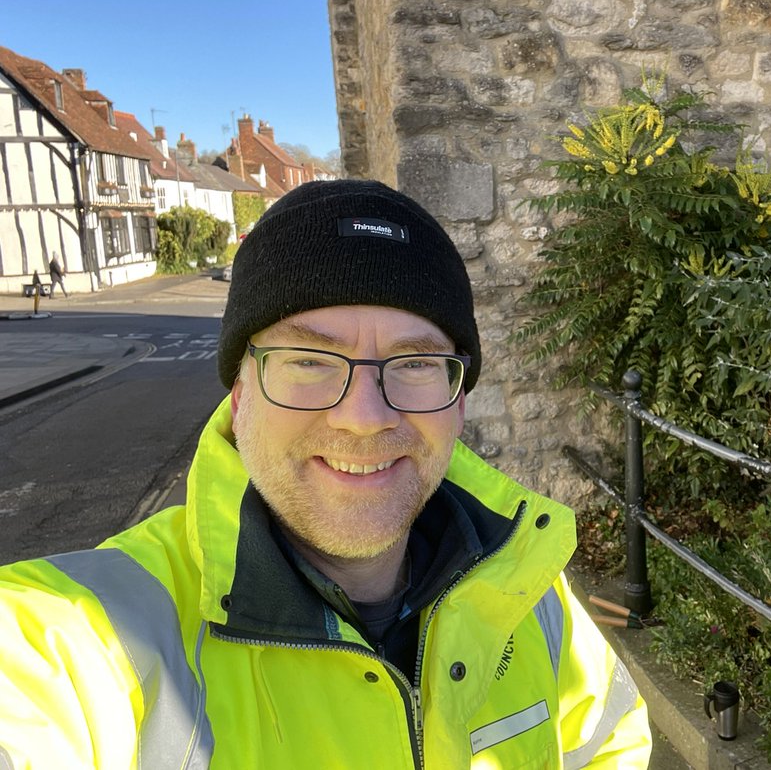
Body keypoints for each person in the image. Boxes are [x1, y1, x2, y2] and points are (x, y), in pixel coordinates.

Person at [0, 180, 652, 768]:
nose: (364, 418)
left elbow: (608, 743)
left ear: (458, 399)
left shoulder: (529, 590)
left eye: (415, 363)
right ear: (240, 390)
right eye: (309, 360)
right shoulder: (84, 633)